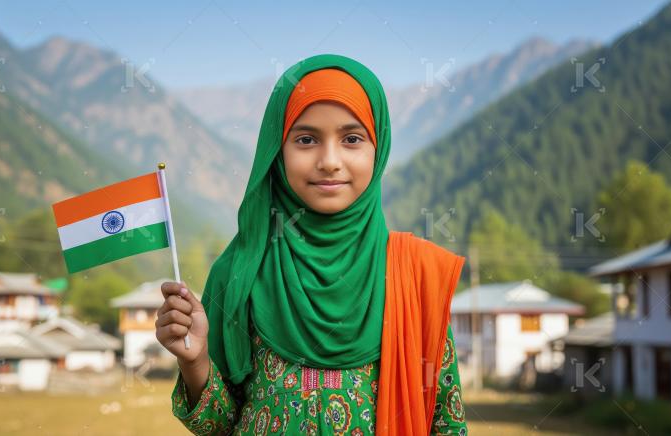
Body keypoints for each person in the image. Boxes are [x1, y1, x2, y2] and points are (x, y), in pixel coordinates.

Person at [156, 54, 467, 435]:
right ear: (277, 150)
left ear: (378, 148)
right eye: (306, 139)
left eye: (352, 139)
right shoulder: (239, 270)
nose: (330, 161)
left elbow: (447, 424)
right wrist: (196, 361)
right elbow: (219, 427)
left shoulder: (416, 278)